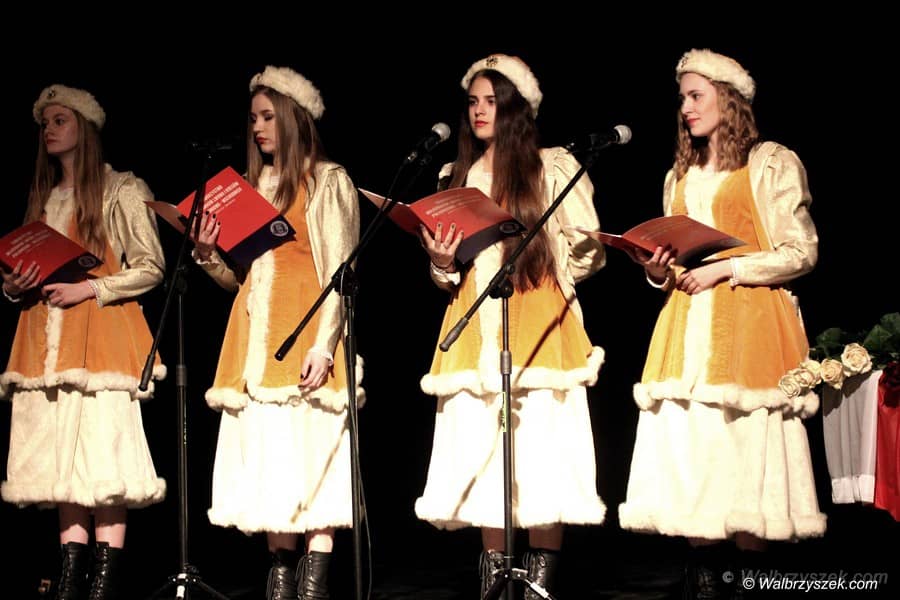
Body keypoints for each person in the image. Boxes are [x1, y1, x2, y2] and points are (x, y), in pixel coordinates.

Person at [617, 49, 826, 598]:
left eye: (696, 96)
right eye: (682, 98)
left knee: (747, 464)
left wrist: (727, 268)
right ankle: (706, 581)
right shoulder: (678, 176)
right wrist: (657, 271)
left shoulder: (770, 163)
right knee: (697, 463)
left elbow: (801, 251)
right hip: (686, 331)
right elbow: (672, 266)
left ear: (727, 100)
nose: (686, 107)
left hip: (749, 327)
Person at [414, 54, 607, 599]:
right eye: (473, 102)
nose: (479, 111)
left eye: (491, 101)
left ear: (515, 108)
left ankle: (539, 583)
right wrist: (441, 262)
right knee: (484, 455)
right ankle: (495, 580)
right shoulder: (455, 176)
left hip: (538, 321)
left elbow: (589, 250)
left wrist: (549, 270)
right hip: (474, 325)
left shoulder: (553, 166)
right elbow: (445, 275)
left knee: (543, 456)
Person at [192, 65, 361, 600]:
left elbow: (340, 274)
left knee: (313, 467)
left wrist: (324, 346)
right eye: (253, 119)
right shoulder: (250, 188)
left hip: (305, 341)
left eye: (267, 117)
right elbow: (239, 279)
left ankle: (313, 588)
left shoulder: (326, 180)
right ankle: (281, 583)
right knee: (273, 471)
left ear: (293, 118)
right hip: (255, 348)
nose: (258, 128)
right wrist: (207, 254)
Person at [0, 84, 167, 599]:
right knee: (63, 468)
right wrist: (14, 285)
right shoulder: (44, 197)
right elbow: (27, 265)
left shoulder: (121, 189)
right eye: (44, 123)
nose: (48, 130)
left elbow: (151, 266)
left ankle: (102, 584)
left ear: (84, 127)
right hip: (46, 343)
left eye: (59, 120)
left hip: (101, 343)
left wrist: (89, 288)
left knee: (103, 463)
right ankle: (70, 579)